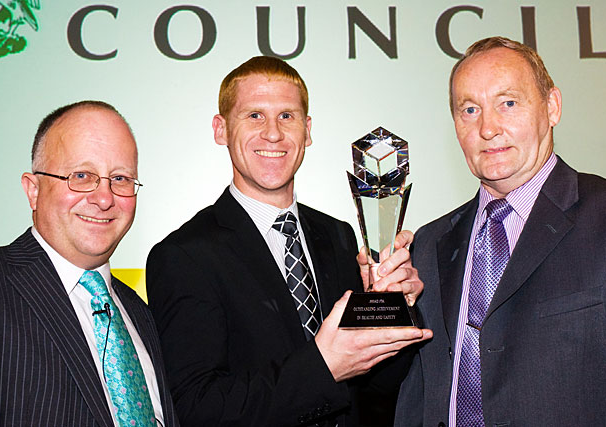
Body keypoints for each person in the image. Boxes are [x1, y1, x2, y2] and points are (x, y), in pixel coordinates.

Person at [147, 56, 432, 426]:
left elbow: (376, 390)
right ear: (220, 129)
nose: (273, 133)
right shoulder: (184, 256)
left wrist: (392, 311)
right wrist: (322, 366)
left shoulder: (339, 236)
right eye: (254, 116)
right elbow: (196, 408)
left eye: (287, 116)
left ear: (307, 130)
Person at [394, 36, 606, 426]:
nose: (487, 128)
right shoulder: (427, 246)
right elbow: (403, 391)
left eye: (508, 103)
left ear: (552, 107)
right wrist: (388, 311)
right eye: (469, 109)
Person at [0, 101, 179, 426]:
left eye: (121, 178)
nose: (104, 198)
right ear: (33, 191)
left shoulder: (140, 313)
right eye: (82, 175)